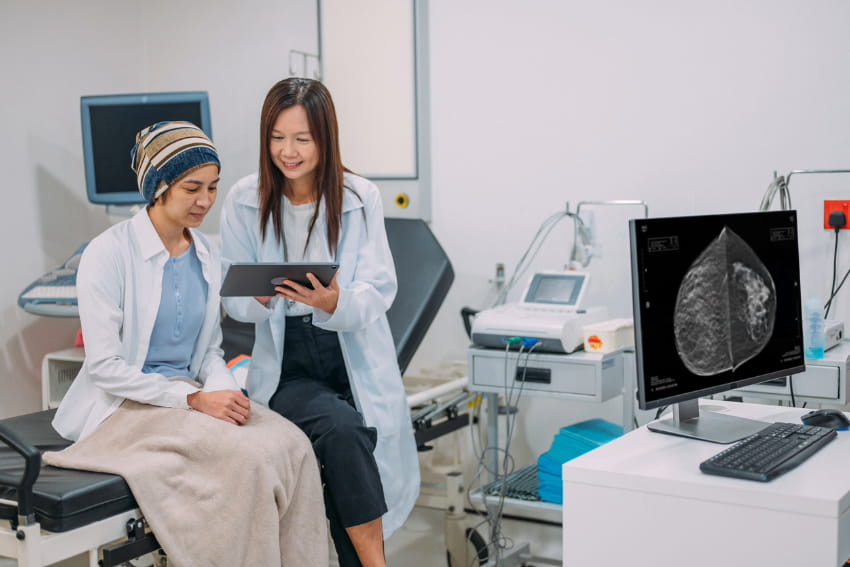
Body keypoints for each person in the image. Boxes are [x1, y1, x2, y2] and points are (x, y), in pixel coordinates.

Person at [45, 121, 329, 567]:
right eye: (192, 188)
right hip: (125, 405)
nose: (206, 201)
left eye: (213, 187)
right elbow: (105, 368)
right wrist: (193, 398)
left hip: (190, 396)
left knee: (293, 445)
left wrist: (223, 392)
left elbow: (211, 351)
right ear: (158, 186)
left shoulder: (206, 254)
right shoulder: (109, 253)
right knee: (251, 458)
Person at [220, 77, 419, 567]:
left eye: (302, 140)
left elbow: (380, 290)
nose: (287, 152)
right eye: (277, 138)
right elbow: (234, 302)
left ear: (325, 139)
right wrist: (261, 297)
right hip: (288, 364)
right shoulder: (244, 201)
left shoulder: (360, 197)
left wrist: (334, 302)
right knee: (344, 430)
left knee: (348, 452)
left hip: (351, 353)